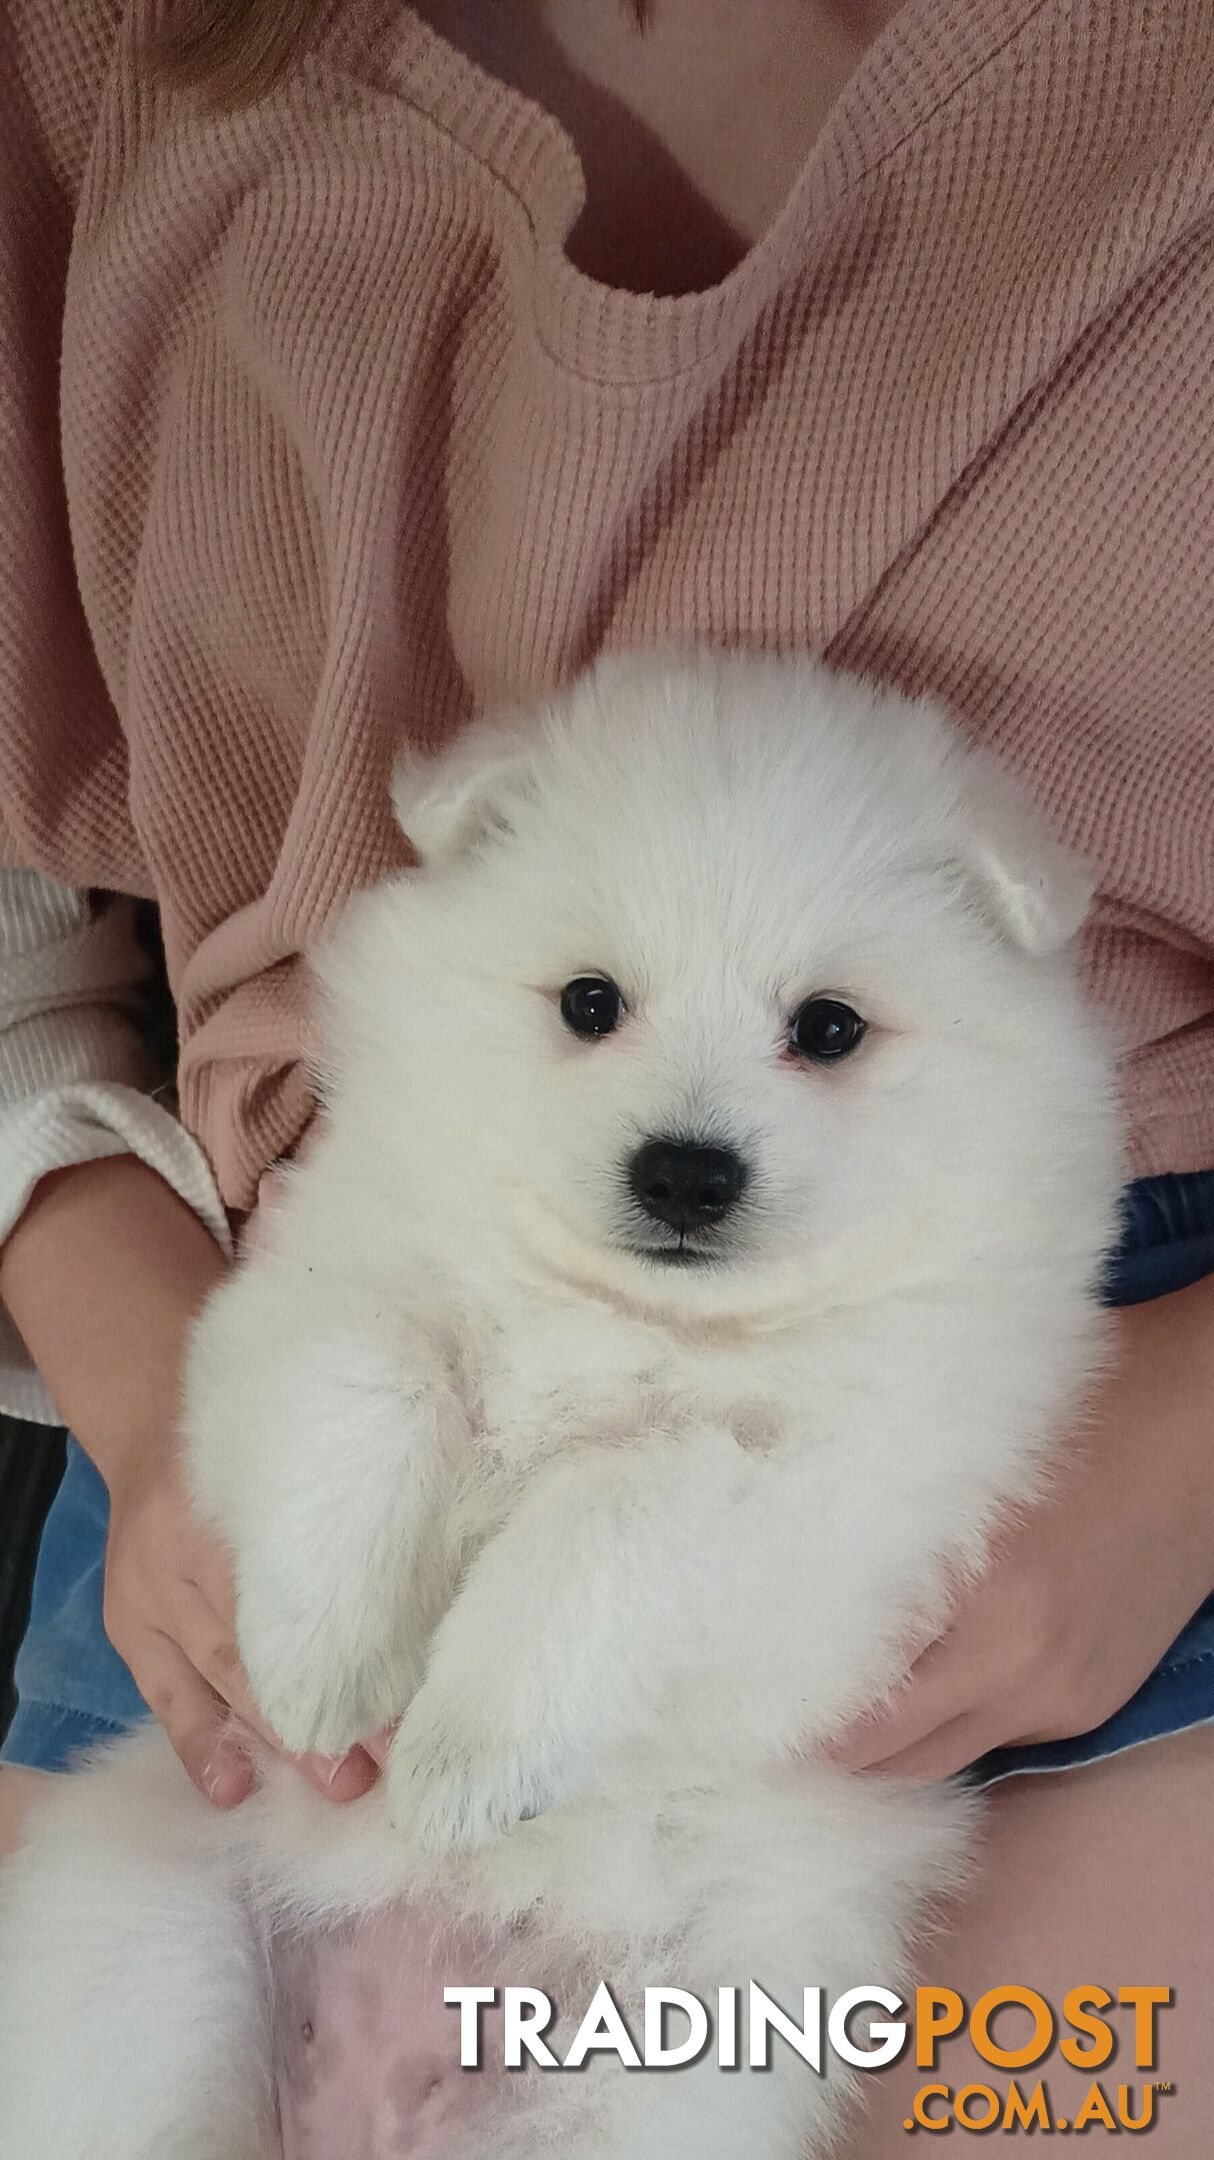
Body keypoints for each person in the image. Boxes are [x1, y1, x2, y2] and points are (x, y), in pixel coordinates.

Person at [0, 0, 1211, 2148]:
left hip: (1113, 1424)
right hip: (231, 1282)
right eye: (598, 1009)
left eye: (823, 1032)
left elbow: (810, 1509)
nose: (693, 1132)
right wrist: (142, 1343)